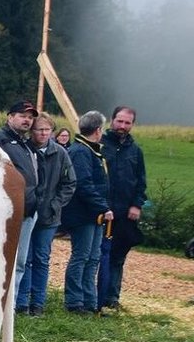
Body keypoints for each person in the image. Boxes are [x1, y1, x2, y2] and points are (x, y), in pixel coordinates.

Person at [14, 113, 76, 316]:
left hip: (49, 216)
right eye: (38, 129)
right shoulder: (24, 150)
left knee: (42, 258)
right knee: (25, 258)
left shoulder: (59, 153)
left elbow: (69, 183)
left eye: (46, 130)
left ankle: (38, 302)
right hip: (28, 212)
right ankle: (21, 302)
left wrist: (56, 204)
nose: (42, 133)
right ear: (32, 131)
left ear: (52, 132)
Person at [0, 101, 39, 303]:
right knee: (0, 260)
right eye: (22, 115)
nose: (27, 120)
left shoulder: (28, 143)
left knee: (20, 261)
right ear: (10, 117)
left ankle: (13, 303)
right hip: (5, 212)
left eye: (30, 116)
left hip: (28, 210)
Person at [61, 110, 112, 315]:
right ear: (98, 130)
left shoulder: (92, 150)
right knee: (81, 256)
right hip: (82, 214)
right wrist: (103, 207)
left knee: (93, 257)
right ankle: (74, 301)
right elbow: (84, 185)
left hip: (93, 214)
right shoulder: (81, 151)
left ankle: (90, 302)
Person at [99, 106, 146, 312]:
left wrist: (136, 204)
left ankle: (111, 297)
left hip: (125, 212)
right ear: (112, 121)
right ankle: (93, 297)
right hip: (101, 211)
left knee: (117, 257)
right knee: (94, 256)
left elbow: (140, 182)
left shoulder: (135, 151)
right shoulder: (100, 145)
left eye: (127, 123)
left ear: (132, 125)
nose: (122, 126)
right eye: (120, 121)